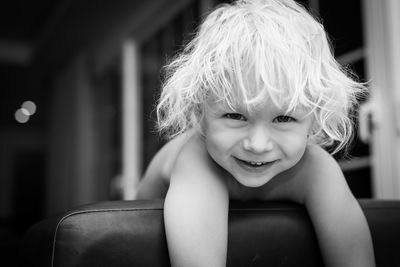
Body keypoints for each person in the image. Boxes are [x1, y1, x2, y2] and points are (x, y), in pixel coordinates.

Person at [135, 0, 376, 266]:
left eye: (284, 118)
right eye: (235, 116)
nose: (258, 145)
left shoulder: (317, 169)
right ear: (199, 115)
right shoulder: (197, 162)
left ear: (314, 121)